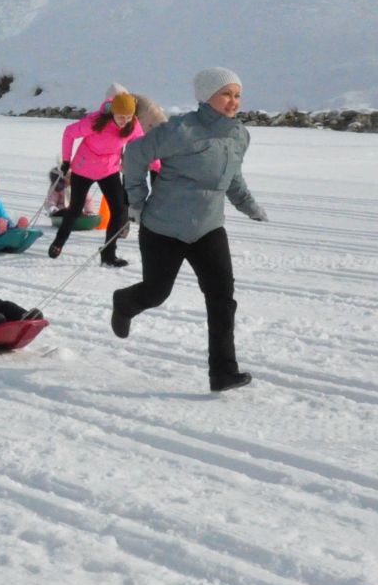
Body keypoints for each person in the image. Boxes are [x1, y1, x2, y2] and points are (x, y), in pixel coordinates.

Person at [111, 66, 268, 393]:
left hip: (209, 228)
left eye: (237, 95)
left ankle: (223, 372)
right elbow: (136, 155)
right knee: (156, 292)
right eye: (226, 94)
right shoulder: (180, 130)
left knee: (222, 298)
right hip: (164, 228)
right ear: (206, 96)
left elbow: (232, 176)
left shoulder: (239, 135)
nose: (233, 101)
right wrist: (136, 201)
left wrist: (247, 204)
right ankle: (125, 303)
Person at [50, 86, 146, 266]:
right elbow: (69, 133)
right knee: (75, 209)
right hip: (83, 169)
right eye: (120, 117)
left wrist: (157, 166)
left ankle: (108, 255)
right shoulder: (95, 121)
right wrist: (66, 160)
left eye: (128, 117)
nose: (124, 121)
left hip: (108, 171)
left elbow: (140, 146)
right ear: (113, 113)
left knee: (119, 210)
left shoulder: (133, 125)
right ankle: (59, 242)